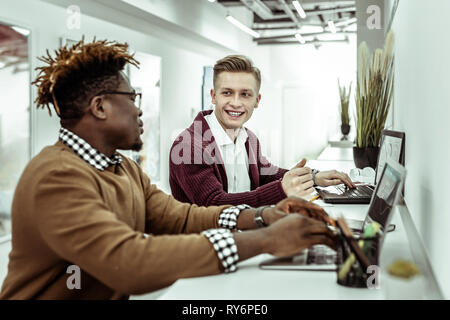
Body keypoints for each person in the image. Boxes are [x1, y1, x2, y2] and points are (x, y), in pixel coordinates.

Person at [0, 40, 336, 300]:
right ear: (100, 106)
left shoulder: (123, 169)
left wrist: (262, 216)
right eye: (133, 98)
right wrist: (265, 240)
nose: (140, 111)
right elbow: (129, 261)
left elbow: (181, 218)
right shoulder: (57, 176)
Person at [169, 55, 356, 207]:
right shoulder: (188, 146)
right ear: (213, 96)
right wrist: (281, 191)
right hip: (206, 246)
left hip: (246, 235)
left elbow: (266, 173)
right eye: (227, 92)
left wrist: (313, 177)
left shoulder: (248, 138)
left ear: (257, 100)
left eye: (245, 94)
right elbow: (213, 205)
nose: (236, 102)